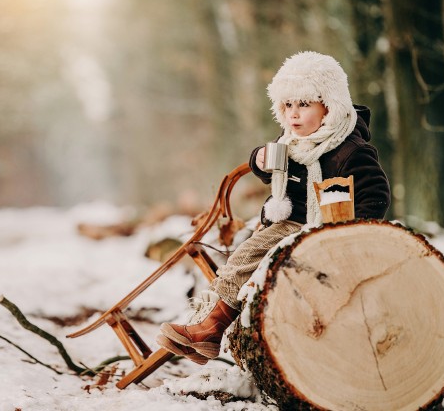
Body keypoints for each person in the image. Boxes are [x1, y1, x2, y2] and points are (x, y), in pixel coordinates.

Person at [156, 51, 391, 364]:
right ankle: (207, 330)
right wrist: (260, 160)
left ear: (329, 105)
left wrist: (347, 231)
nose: (294, 114)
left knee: (245, 258)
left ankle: (210, 329)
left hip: (317, 228)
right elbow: (273, 167)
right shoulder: (292, 139)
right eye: (288, 105)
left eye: (304, 104)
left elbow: (376, 193)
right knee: (242, 258)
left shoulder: (349, 150)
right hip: (284, 221)